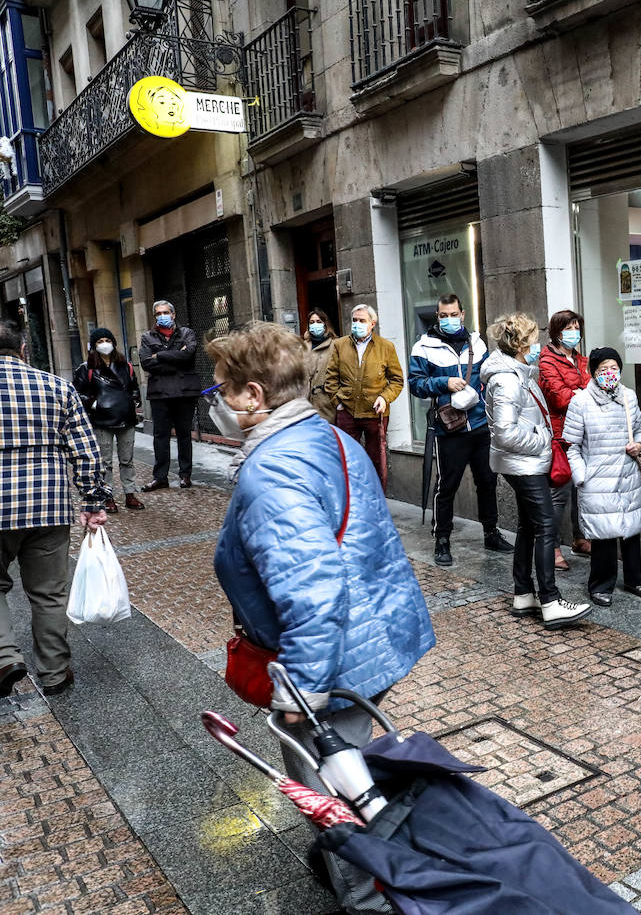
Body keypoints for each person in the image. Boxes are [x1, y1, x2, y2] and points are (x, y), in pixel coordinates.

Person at [207, 321, 434, 915]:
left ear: (254, 397)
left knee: (330, 795)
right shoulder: (325, 434)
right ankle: (354, 868)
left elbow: (311, 594)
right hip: (370, 634)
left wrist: (300, 690)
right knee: (352, 778)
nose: (219, 404)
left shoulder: (272, 471)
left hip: (328, 666)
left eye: (223, 392)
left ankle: (369, 897)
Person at [0, 320, 108, 698]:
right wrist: (93, 502)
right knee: (48, 593)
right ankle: (55, 672)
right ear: (23, 347)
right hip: (47, 506)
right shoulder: (56, 387)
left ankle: (5, 657)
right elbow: (86, 450)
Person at [480, 313, 591, 629]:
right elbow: (504, 432)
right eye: (532, 338)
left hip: (526, 462)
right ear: (519, 344)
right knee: (545, 526)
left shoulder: (517, 373)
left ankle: (523, 593)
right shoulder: (506, 380)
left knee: (530, 526)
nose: (536, 343)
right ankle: (551, 600)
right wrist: (544, 438)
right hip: (524, 463)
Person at [407, 293, 513, 564]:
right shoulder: (424, 347)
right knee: (447, 486)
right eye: (444, 315)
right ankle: (442, 539)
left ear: (462, 314)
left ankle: (491, 532)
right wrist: (444, 383)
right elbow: (416, 384)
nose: (449, 319)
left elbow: (488, 378)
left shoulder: (476, 343)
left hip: (480, 425)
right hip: (449, 429)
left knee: (487, 481)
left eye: (454, 314)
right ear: (437, 316)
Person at [563, 347, 641, 607]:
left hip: (627, 475)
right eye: (603, 369)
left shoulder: (629, 397)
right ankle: (600, 585)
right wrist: (582, 477)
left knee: (631, 530)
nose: (609, 373)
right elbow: (571, 445)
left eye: (613, 368)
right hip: (597, 479)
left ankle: (634, 579)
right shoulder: (580, 402)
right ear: (593, 373)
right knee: (603, 535)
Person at [324, 304, 404, 489]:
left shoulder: (386, 347)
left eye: (362, 320)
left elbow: (397, 380)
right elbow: (330, 378)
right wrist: (338, 404)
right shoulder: (339, 345)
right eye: (354, 320)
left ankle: (376, 500)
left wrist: (384, 398)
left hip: (375, 414)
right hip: (347, 412)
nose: (357, 324)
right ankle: (352, 500)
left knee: (376, 460)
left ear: (372, 323)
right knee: (347, 459)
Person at [539, 309, 593, 570]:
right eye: (568, 328)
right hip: (561, 436)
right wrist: (583, 393)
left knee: (582, 490)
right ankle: (553, 546)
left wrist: (579, 392)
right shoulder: (547, 360)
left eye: (577, 327)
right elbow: (559, 398)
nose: (574, 333)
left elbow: (595, 390)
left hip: (584, 432)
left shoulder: (582, 360)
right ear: (557, 332)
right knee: (559, 495)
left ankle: (580, 537)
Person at [74, 328, 145, 512]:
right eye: (99, 341)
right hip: (102, 420)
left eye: (107, 339)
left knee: (127, 459)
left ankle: (130, 494)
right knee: (105, 462)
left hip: (126, 417)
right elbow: (77, 393)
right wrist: (93, 403)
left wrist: (134, 399)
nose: (104, 344)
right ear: (93, 345)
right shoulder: (86, 368)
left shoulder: (125, 365)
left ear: (113, 342)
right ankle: (108, 496)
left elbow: (133, 386)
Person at [139, 299, 201, 491]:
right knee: (160, 436)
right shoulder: (148, 337)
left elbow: (188, 356)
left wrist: (161, 356)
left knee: (184, 435)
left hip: (184, 392)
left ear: (173, 315)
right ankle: (160, 477)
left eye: (165, 312)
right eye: (158, 314)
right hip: (160, 393)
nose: (162, 316)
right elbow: (146, 363)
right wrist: (176, 356)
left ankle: (185, 475)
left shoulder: (187, 333)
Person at [303, 308, 337, 420]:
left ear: (325, 324)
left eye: (318, 322)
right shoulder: (303, 346)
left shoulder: (336, 344)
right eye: (312, 322)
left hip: (327, 403)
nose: (315, 325)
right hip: (306, 403)